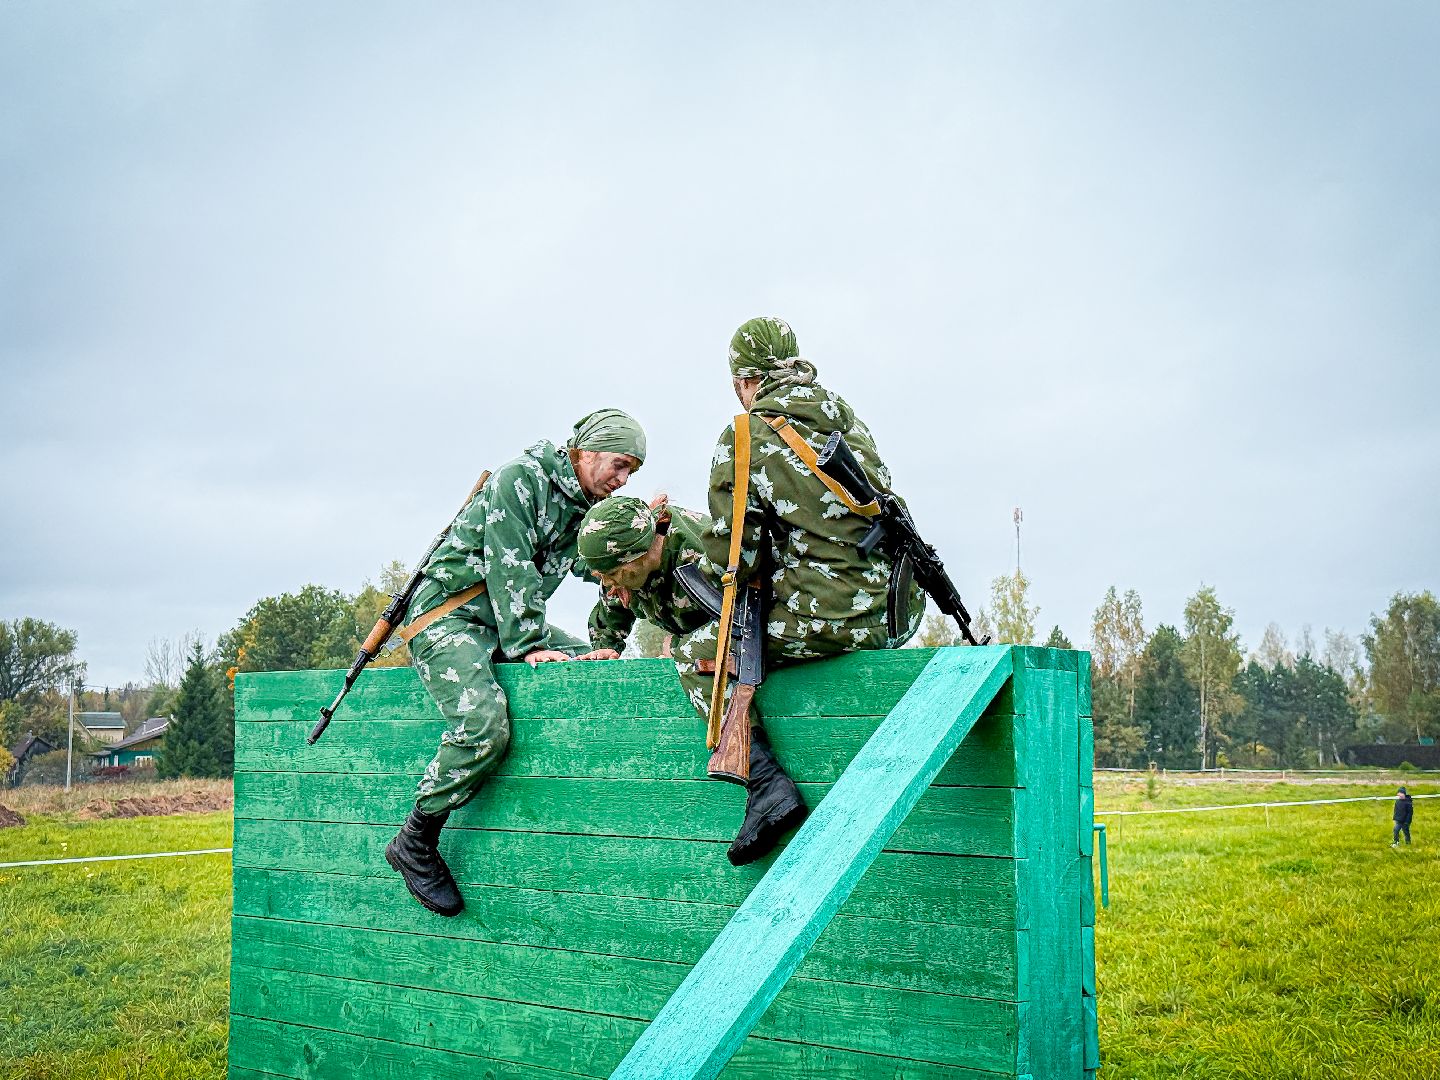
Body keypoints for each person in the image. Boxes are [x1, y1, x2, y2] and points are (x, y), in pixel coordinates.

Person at [666, 315, 927, 865]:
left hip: (830, 616)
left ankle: (766, 786)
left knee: (696, 651)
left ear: (743, 380)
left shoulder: (744, 436)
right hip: (896, 609)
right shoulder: (847, 420)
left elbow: (737, 557)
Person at [384, 408, 647, 917]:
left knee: (595, 666)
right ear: (587, 451)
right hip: (449, 619)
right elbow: (511, 567)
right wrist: (527, 643)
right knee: (483, 725)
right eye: (618, 465)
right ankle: (415, 839)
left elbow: (596, 566)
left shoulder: (585, 506)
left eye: (631, 471)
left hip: (503, 625)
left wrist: (639, 538)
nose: (622, 479)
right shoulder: (519, 479)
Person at [572, 495, 715, 661]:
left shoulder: (700, 559)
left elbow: (738, 627)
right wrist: (605, 649)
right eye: (600, 575)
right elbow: (610, 621)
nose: (606, 582)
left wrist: (678, 649)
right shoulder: (625, 571)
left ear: (639, 555)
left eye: (611, 574)